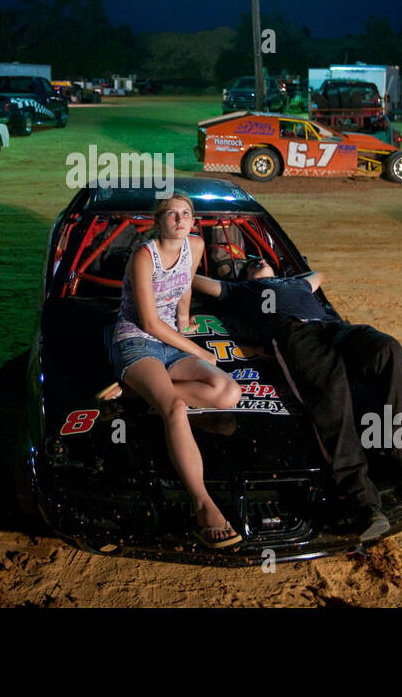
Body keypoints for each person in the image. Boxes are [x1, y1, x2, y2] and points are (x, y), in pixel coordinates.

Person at [192, 258, 402, 542]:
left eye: (261, 259)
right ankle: (363, 503)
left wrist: (289, 275)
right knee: (330, 400)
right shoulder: (240, 289)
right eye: (251, 263)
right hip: (295, 334)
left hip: (335, 329)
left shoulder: (297, 283)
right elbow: (195, 280)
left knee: (388, 350)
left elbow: (318, 274)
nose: (259, 260)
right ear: (244, 275)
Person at [100, 192, 244, 549]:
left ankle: (135, 390)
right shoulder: (143, 255)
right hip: (136, 341)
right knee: (174, 408)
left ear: (193, 221)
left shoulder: (194, 246)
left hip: (171, 340)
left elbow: (183, 289)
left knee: (229, 393)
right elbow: (148, 321)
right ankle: (203, 506)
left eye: (186, 214)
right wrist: (198, 350)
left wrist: (184, 321)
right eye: (171, 214)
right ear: (158, 221)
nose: (180, 220)